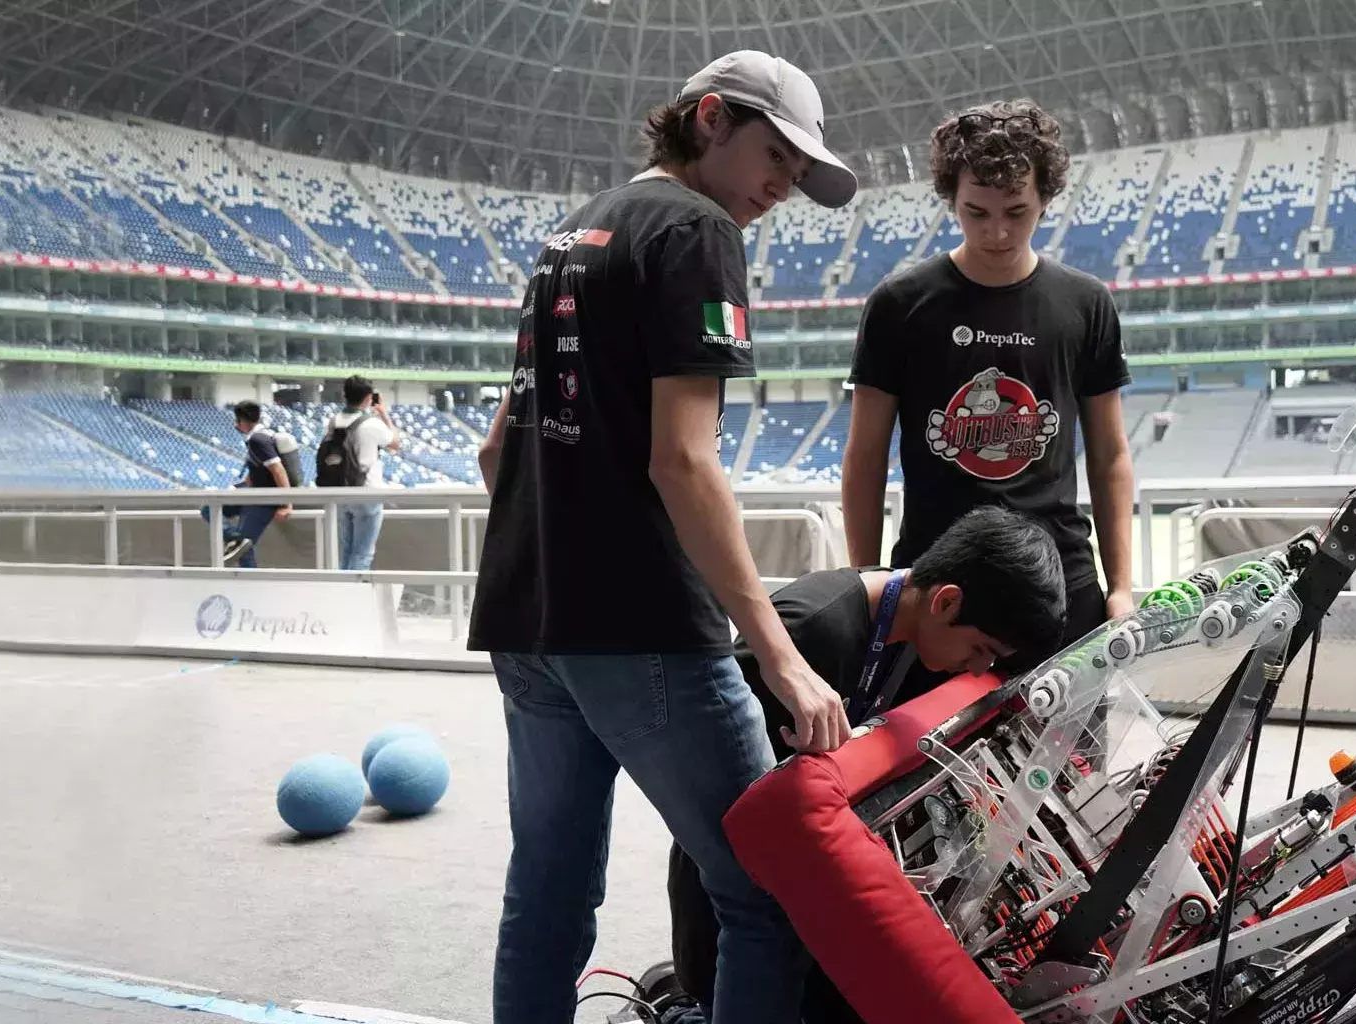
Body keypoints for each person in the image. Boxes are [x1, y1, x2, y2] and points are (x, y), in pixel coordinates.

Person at [467, 49, 860, 1024]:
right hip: (637, 623)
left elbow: (495, 452)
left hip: (527, 612)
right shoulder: (696, 231)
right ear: (710, 117)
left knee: (549, 895)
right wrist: (781, 655)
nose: (784, 185)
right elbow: (682, 461)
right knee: (770, 890)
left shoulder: (574, 229)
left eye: (801, 172)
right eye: (776, 154)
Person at [658, 506, 1069, 1024]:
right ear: (946, 601)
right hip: (738, 913)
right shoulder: (809, 629)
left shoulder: (918, 637)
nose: (980, 669)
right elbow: (709, 809)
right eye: (982, 650)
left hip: (810, 894)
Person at [841, 98, 1137, 676]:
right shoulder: (899, 304)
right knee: (929, 764)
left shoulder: (1086, 303)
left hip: (1059, 580)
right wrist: (866, 578)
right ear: (950, 197)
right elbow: (865, 456)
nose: (996, 231)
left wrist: (1121, 585)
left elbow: (1110, 456)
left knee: (1069, 763)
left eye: (1017, 211)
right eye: (976, 212)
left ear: (1046, 199)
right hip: (937, 589)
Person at [316, 375, 401, 570]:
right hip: (366, 493)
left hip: (340, 493)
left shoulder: (332, 422)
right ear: (369, 398)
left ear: (344, 394)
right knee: (362, 553)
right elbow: (395, 443)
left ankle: (345, 594)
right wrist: (385, 415)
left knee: (346, 551)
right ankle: (355, 597)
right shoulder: (371, 423)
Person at [215, 400, 297, 567]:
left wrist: (287, 504)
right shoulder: (259, 437)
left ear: (242, 421)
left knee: (243, 550)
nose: (236, 425)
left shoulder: (258, 440)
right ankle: (235, 539)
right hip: (255, 493)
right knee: (210, 508)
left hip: (264, 500)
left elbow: (278, 470)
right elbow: (263, 469)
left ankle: (237, 543)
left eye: (237, 420)